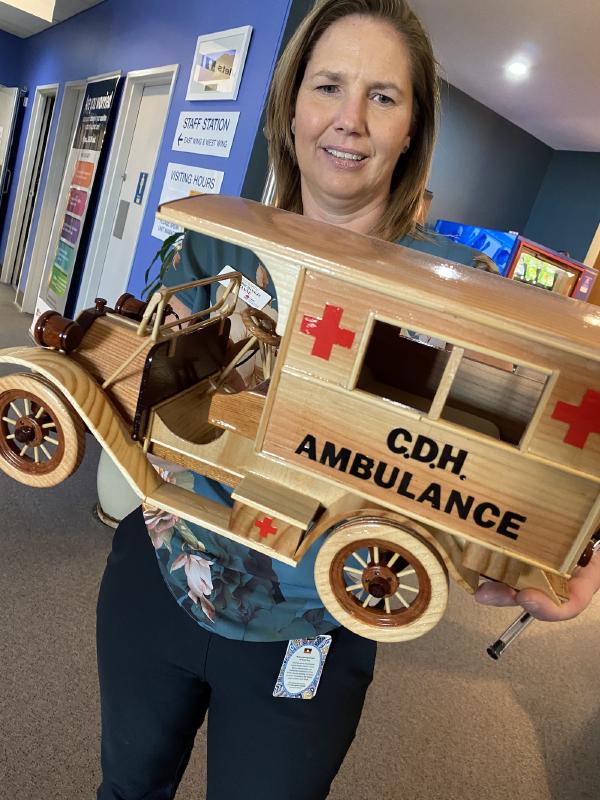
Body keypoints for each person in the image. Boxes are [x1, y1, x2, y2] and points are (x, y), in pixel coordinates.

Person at [96, 1, 600, 798]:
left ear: (412, 131)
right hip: (161, 573)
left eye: (384, 97)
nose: (351, 121)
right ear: (291, 104)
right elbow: (145, 391)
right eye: (329, 86)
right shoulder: (211, 241)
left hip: (319, 619)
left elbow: (554, 411)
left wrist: (568, 539)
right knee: (126, 790)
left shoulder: (463, 292)